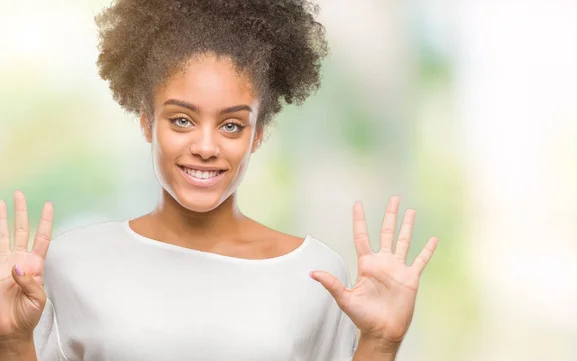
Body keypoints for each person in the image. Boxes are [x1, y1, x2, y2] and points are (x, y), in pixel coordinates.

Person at [0, 0, 438, 360]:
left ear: (258, 134)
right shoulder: (74, 263)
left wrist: (382, 342)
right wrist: (12, 341)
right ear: (147, 122)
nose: (206, 146)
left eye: (231, 125)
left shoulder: (313, 274)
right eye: (182, 120)